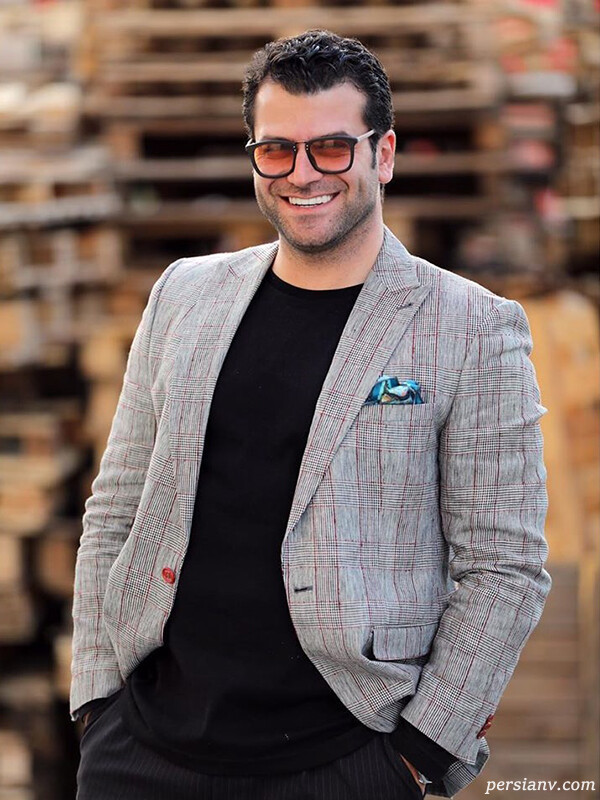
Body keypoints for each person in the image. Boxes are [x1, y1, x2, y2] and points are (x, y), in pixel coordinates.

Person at [71, 29, 551, 800]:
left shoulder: (472, 327)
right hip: (144, 752)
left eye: (331, 148)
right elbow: (116, 508)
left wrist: (420, 752)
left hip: (346, 760)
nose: (302, 174)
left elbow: (504, 564)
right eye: (277, 150)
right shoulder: (183, 296)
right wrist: (97, 702)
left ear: (382, 154)